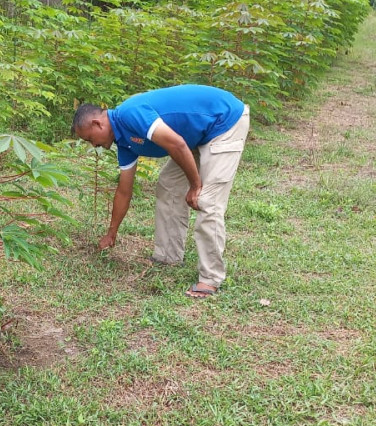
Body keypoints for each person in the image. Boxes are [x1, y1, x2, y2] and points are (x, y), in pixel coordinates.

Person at [71, 85, 250, 298]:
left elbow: (177, 144)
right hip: (195, 134)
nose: (94, 146)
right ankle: (168, 255)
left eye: (90, 139)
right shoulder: (124, 142)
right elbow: (124, 191)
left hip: (224, 121)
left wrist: (195, 185)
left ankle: (210, 280)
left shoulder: (130, 114)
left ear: (97, 123)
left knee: (206, 200)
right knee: (168, 185)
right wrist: (111, 233)